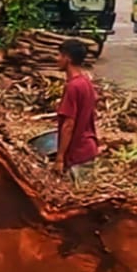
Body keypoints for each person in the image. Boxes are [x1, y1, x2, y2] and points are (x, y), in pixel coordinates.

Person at [55, 39, 99, 183]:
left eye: (59, 56)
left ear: (67, 58)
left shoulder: (73, 87)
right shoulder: (86, 82)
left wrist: (60, 158)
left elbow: (69, 125)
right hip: (88, 149)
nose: (57, 59)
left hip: (78, 154)